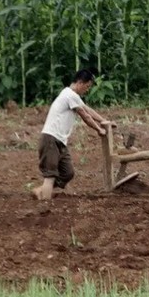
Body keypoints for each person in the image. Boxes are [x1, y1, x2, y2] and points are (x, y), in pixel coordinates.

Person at [32, 69, 113, 201]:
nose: (87, 90)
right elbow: (85, 116)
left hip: (60, 140)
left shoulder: (73, 96)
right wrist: (99, 130)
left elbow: (88, 109)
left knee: (67, 173)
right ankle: (45, 207)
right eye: (87, 87)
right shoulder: (69, 95)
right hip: (51, 138)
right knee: (50, 175)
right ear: (80, 83)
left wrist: (104, 121)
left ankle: (41, 191)